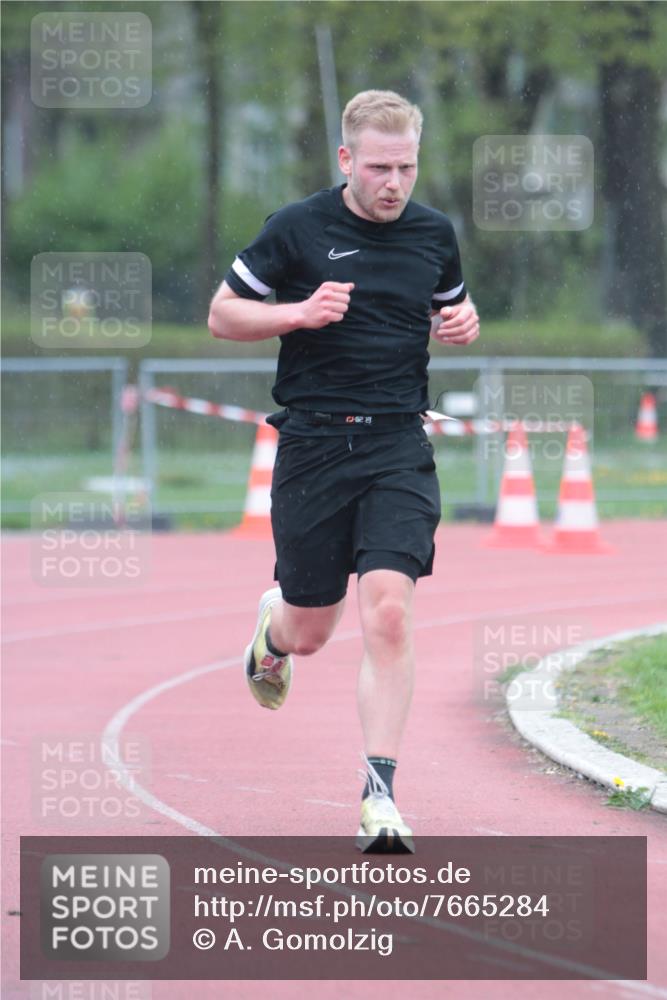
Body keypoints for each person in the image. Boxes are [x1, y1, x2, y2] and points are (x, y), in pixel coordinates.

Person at [208, 89, 479, 852]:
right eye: (380, 168)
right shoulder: (296, 230)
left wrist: (462, 322)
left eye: (407, 167)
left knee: (389, 612)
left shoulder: (433, 234)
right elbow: (223, 314)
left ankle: (379, 796)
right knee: (312, 630)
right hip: (315, 448)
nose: (394, 183)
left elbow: (448, 309)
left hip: (398, 444)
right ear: (345, 160)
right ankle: (273, 633)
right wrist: (294, 314)